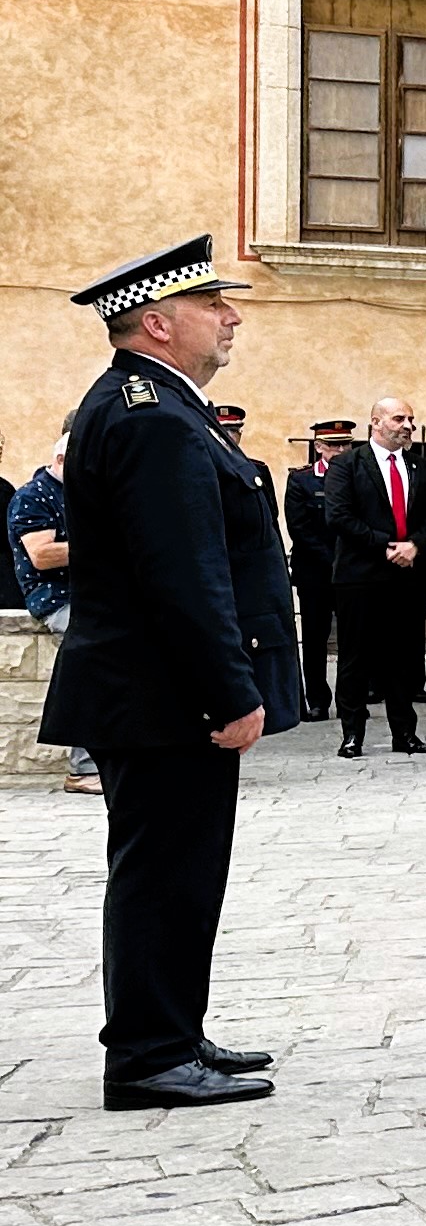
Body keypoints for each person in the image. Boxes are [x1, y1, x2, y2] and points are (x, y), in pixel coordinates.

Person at [38, 238, 293, 1110]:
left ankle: (172, 1031)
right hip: (164, 696)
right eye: (213, 305)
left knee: (179, 873)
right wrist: (229, 691)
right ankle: (148, 1055)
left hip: (153, 692)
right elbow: (181, 573)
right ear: (158, 322)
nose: (231, 318)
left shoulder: (151, 404)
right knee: (163, 875)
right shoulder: (150, 414)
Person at [322, 395, 426, 758]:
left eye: (411, 420)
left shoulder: (422, 468)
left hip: (409, 577)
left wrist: (415, 545)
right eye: (399, 418)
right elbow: (338, 516)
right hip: (361, 575)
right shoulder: (348, 465)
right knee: (355, 657)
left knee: (403, 657)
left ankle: (404, 733)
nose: (407, 426)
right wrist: (387, 545)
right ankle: (352, 733)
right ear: (376, 422)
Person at [13, 435, 106, 794]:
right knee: (93, 659)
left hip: (94, 597)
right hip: (57, 599)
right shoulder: (33, 496)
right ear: (63, 458)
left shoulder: (87, 493)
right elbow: (42, 555)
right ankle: (82, 769)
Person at [284, 418, 352, 719]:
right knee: (314, 639)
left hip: (352, 572)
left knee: (354, 638)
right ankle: (317, 700)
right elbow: (299, 528)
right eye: (334, 444)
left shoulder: (359, 477)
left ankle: (352, 699)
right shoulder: (302, 480)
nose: (340, 450)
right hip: (316, 573)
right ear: (319, 446)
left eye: (345, 444)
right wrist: (332, 560)